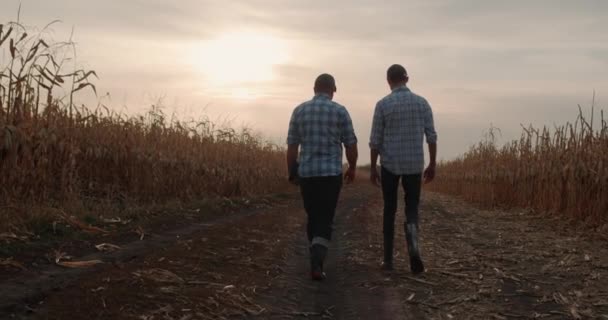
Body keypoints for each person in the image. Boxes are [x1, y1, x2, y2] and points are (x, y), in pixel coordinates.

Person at [286, 73, 358, 281]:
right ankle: (317, 259)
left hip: (307, 174)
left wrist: (292, 171)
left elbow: (292, 147)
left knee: (313, 216)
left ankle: (315, 254)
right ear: (332, 90)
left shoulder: (299, 111)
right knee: (325, 217)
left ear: (314, 88)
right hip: (330, 175)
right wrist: (352, 167)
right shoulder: (340, 111)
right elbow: (350, 144)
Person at [369, 64, 438, 274]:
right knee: (411, 209)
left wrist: (373, 167)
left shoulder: (383, 105)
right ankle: (414, 249)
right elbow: (431, 136)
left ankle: (388, 261)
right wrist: (432, 163)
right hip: (414, 164)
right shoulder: (422, 103)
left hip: (390, 164)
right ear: (406, 78)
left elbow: (375, 141)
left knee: (389, 210)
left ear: (389, 81)